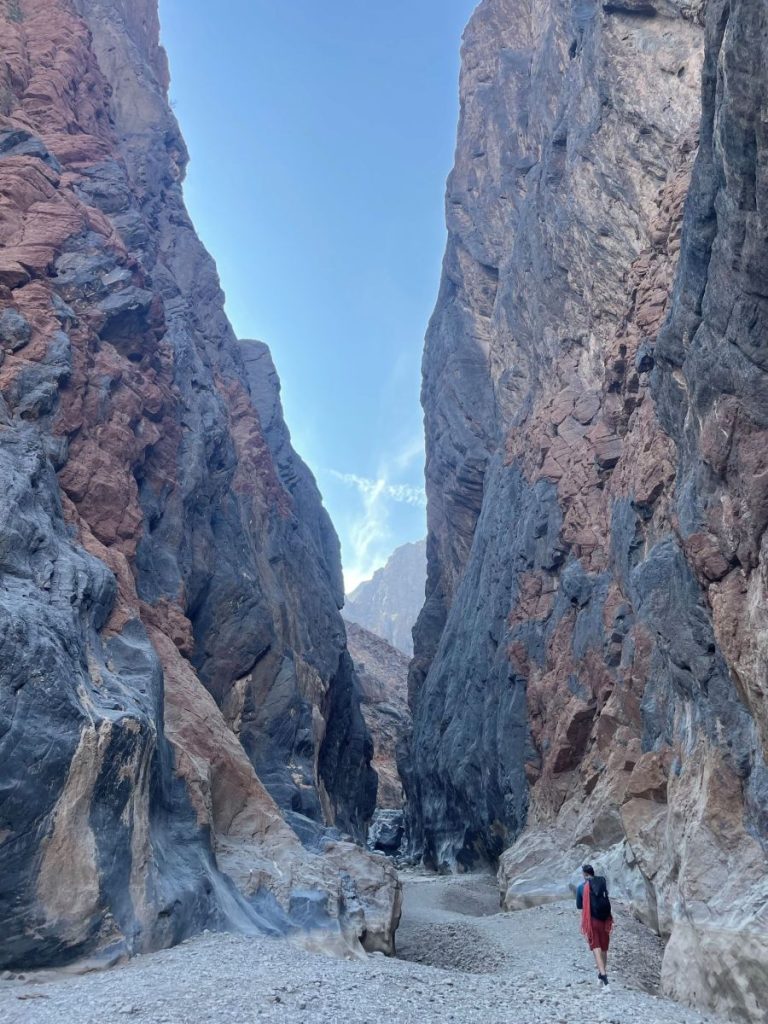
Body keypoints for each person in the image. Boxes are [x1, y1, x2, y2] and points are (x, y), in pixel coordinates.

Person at [576, 864, 613, 990]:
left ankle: (604, 976)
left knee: (595, 947)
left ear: (585, 874)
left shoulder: (581, 887)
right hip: (604, 920)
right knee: (604, 948)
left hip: (591, 921)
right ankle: (600, 974)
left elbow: (579, 906)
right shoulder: (601, 882)